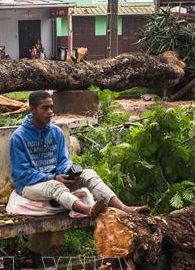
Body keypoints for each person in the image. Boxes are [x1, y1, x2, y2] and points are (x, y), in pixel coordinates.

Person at [9, 90, 149, 218]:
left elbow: (63, 160)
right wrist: (53, 177)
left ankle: (125, 209)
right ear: (32, 109)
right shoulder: (19, 137)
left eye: (51, 107)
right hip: (29, 186)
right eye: (44, 108)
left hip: (57, 179)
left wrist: (69, 174)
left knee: (89, 174)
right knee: (55, 186)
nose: (50, 111)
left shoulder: (56, 132)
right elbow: (23, 174)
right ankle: (89, 210)